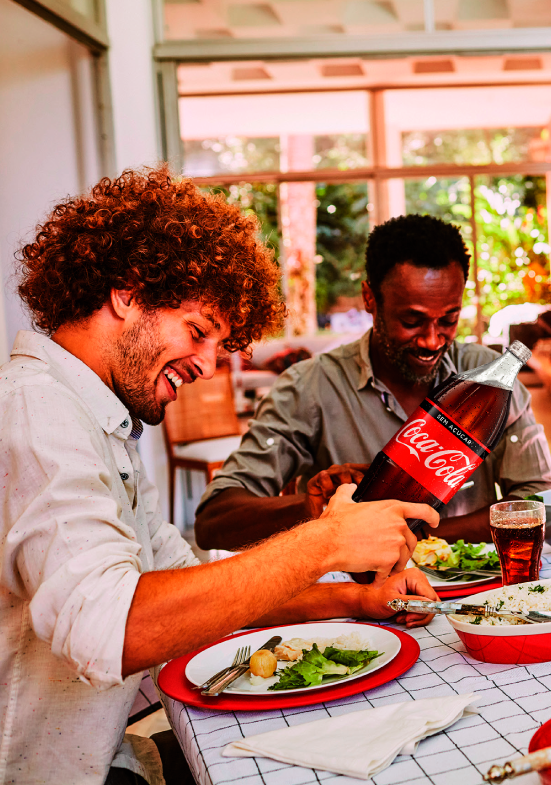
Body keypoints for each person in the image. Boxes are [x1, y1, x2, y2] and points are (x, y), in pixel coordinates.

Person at [0, 166, 440, 785]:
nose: (209, 365)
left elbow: (188, 590)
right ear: (127, 294)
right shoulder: (34, 411)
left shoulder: (99, 421)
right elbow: (112, 627)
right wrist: (324, 543)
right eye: (200, 331)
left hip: (112, 756)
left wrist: (353, 598)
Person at [194, 214, 551, 550]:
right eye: (412, 321)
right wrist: (314, 506)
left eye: (448, 319)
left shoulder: (493, 383)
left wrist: (412, 536)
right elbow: (213, 522)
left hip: (476, 596)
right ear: (370, 298)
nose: (432, 340)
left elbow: (541, 505)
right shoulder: (310, 388)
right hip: (355, 606)